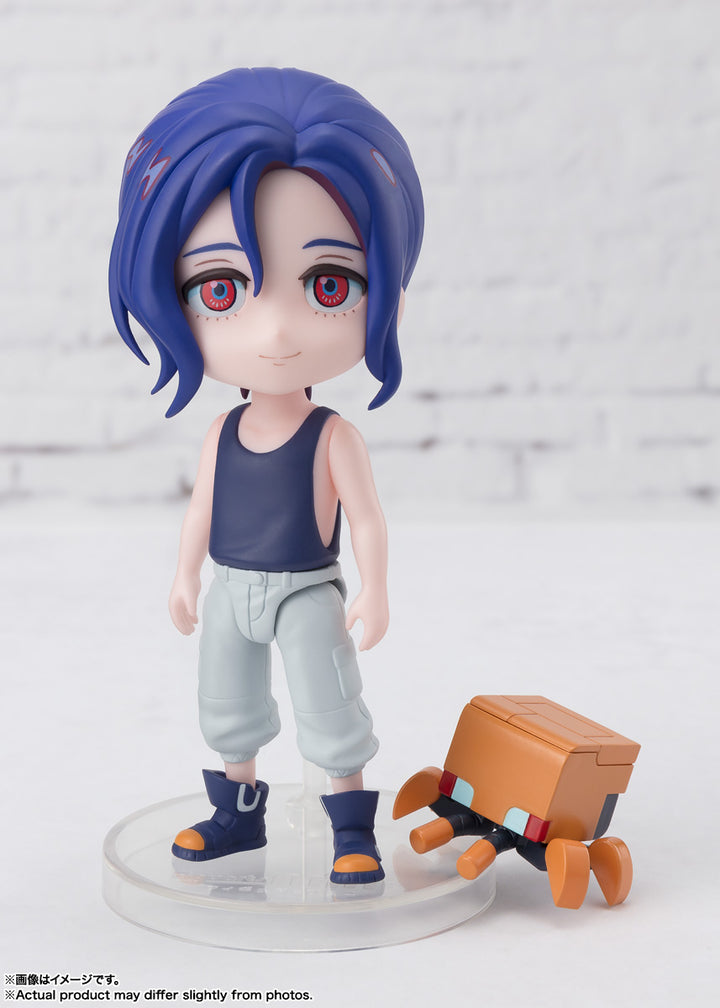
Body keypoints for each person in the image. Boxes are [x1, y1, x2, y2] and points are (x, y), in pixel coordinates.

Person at [109, 68, 424, 883]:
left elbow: (367, 518)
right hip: (230, 587)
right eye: (221, 289)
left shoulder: (333, 436)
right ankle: (236, 815)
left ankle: (351, 828)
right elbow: (201, 510)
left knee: (330, 706)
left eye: (329, 285)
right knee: (228, 704)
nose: (276, 330)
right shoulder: (221, 431)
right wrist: (184, 574)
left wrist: (377, 589)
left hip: (307, 591)